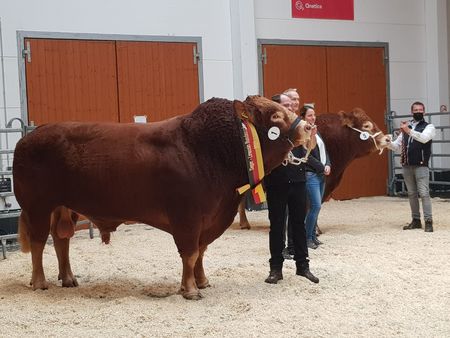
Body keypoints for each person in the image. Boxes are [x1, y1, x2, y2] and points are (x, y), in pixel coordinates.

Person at [263, 95, 319, 285]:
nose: (291, 107)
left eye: (292, 104)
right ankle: (275, 269)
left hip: (298, 179)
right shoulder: (270, 128)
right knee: (277, 225)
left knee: (299, 225)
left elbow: (308, 149)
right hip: (276, 180)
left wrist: (310, 137)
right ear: (277, 107)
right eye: (286, 105)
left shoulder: (299, 125)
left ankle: (303, 266)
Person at [388, 101, 436, 232]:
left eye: (420, 110)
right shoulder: (406, 127)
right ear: (412, 112)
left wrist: (409, 131)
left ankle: (428, 221)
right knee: (412, 194)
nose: (418, 112)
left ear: (424, 112)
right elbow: (396, 146)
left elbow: (424, 138)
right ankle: (415, 220)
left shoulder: (429, 126)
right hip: (407, 165)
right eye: (416, 110)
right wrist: (386, 142)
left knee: (424, 193)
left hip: (421, 165)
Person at [299, 105, 331, 249]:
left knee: (316, 207)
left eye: (314, 115)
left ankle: (312, 236)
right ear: (303, 117)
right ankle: (306, 238)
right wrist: (321, 167)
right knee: (315, 206)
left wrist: (328, 164)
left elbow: (324, 151)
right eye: (310, 115)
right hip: (311, 174)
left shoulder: (316, 132)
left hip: (320, 174)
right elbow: (307, 156)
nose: (313, 118)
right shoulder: (303, 133)